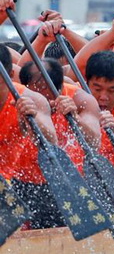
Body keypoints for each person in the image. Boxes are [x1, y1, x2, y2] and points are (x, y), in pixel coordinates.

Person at [0, 43, 61, 229]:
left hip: (14, 185)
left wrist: (33, 118)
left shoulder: (31, 99)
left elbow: (52, 143)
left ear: (10, 76)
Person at [19, 58, 102, 170]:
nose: (39, 99)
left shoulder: (81, 100)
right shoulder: (17, 96)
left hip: (69, 174)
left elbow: (94, 143)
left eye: (43, 90)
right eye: (33, 92)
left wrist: (75, 118)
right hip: (23, 172)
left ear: (61, 87)